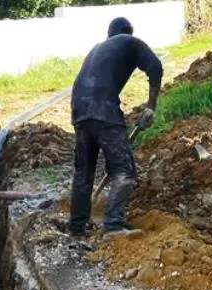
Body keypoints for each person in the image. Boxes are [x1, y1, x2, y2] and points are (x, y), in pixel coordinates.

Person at [68, 17, 163, 238]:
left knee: (83, 173)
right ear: (128, 31)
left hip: (79, 111)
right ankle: (113, 225)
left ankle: (76, 228)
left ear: (108, 34)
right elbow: (156, 68)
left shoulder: (96, 49)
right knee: (125, 170)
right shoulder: (130, 41)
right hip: (103, 110)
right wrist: (151, 107)